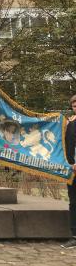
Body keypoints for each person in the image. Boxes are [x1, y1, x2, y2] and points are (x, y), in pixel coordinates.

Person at [63, 94, 76, 249]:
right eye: (74, 105)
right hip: (72, 169)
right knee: (74, 202)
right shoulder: (70, 123)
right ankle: (74, 236)